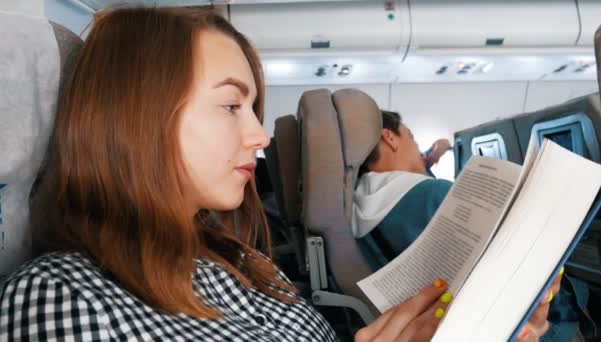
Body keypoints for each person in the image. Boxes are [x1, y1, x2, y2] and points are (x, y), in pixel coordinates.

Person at [0, 7, 557, 341]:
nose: (261, 136)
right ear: (135, 115)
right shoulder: (60, 297)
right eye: (229, 106)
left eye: (255, 109)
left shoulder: (238, 260)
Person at [353, 110, 594, 341]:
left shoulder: (361, 205)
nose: (418, 149)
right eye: (412, 138)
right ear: (389, 137)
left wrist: (428, 158)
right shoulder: (434, 195)